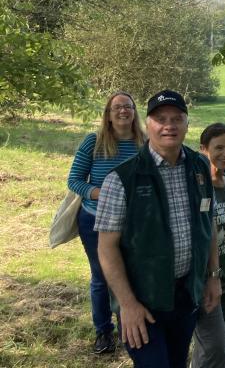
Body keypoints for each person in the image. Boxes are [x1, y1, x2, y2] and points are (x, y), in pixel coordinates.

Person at [95, 90, 220, 368]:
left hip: (186, 295)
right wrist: (127, 305)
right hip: (143, 302)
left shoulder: (199, 167)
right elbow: (106, 246)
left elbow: (208, 222)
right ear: (147, 124)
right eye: (161, 119)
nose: (169, 126)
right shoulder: (122, 179)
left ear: (187, 124)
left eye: (177, 119)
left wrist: (212, 276)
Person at [67, 91, 144, 355]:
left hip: (133, 223)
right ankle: (103, 332)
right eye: (117, 107)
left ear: (134, 112)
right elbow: (74, 180)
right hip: (95, 220)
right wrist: (101, 193)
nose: (123, 111)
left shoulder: (143, 143)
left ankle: (129, 328)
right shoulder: (94, 141)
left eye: (128, 107)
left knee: (131, 275)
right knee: (102, 276)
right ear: (108, 115)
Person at [191, 123, 225, 368]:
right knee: (209, 339)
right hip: (205, 273)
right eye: (219, 147)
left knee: (221, 331)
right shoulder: (197, 186)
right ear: (203, 149)